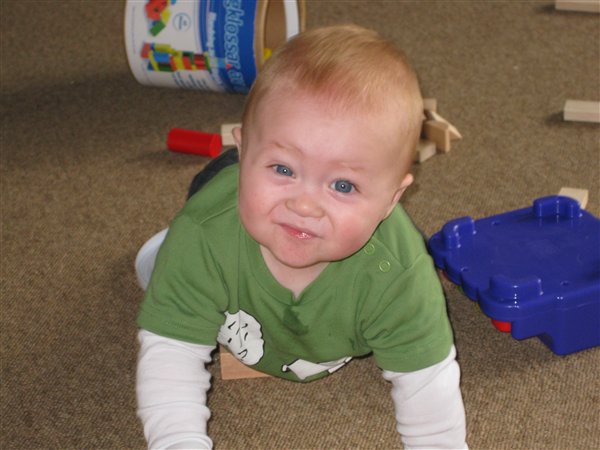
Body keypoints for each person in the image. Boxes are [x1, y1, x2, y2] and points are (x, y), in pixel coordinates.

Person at [135, 24, 467, 449]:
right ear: (244, 151)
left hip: (378, 252)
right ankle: (179, 241)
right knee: (205, 201)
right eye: (284, 169)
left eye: (343, 185)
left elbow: (428, 384)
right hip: (218, 215)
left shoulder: (398, 275)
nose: (305, 205)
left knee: (409, 251)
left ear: (391, 199)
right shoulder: (202, 238)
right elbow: (171, 356)